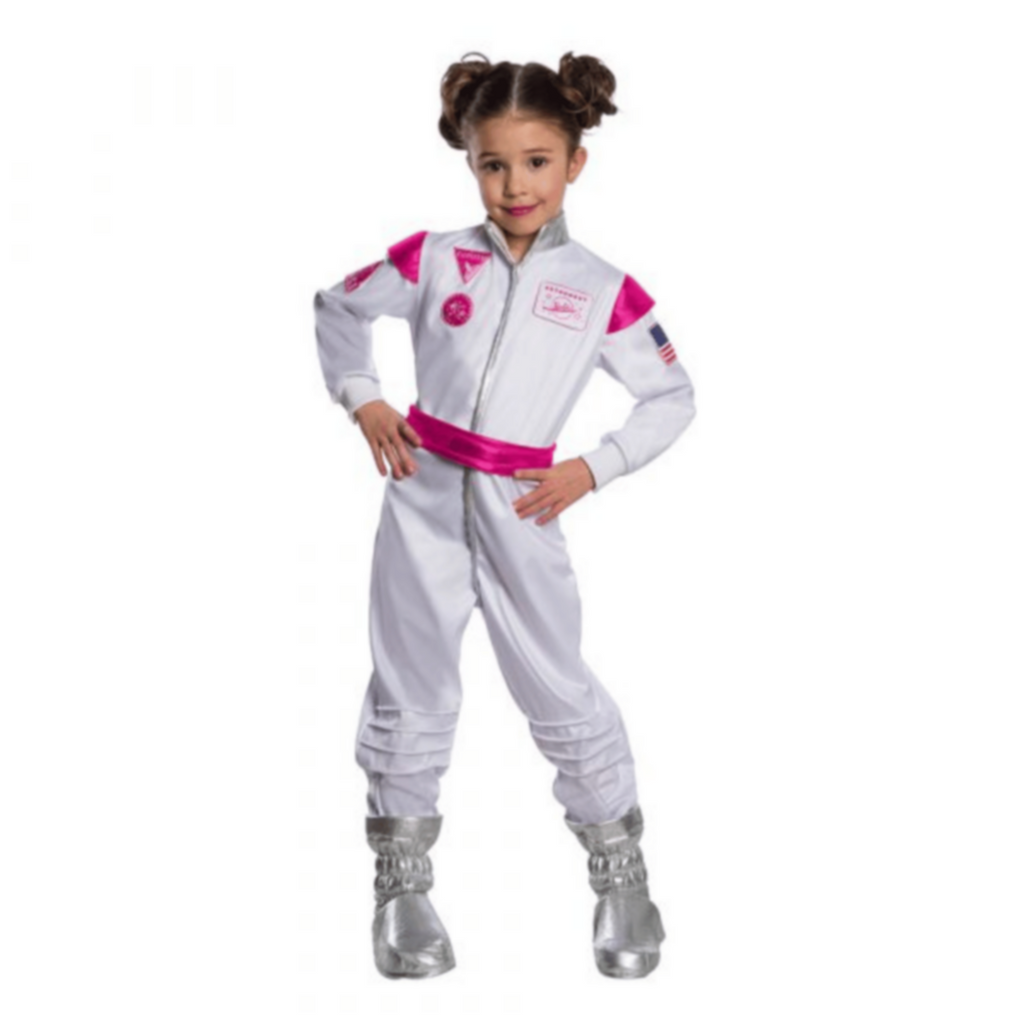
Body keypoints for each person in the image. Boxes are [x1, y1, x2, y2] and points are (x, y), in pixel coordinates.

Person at [312, 51, 696, 980]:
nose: (515, 185)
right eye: (494, 164)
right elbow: (336, 307)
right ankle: (402, 886)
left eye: (536, 162)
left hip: (524, 504)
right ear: (470, 162)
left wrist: (591, 468)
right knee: (409, 687)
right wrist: (364, 396)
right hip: (422, 495)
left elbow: (672, 397)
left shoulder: (603, 289)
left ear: (574, 163)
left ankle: (620, 871)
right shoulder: (433, 257)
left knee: (558, 687)